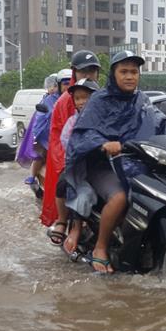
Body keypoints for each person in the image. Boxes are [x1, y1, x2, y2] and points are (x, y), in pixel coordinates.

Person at [63, 50, 166, 273]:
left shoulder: (142, 100)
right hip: (102, 164)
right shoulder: (99, 100)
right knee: (120, 197)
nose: (130, 76)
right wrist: (103, 143)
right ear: (114, 74)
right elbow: (83, 132)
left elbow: (159, 124)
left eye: (134, 72)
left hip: (137, 162)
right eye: (124, 71)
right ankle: (100, 247)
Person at [43, 50, 103, 244]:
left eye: (92, 71)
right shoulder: (65, 101)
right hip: (72, 157)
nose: (88, 75)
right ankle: (66, 223)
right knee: (67, 184)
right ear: (74, 72)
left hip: (100, 157)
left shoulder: (103, 97)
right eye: (83, 71)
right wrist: (69, 162)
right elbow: (61, 138)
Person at [58, 77, 99, 254]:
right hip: (79, 166)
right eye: (78, 98)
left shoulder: (105, 118)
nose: (81, 102)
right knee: (69, 186)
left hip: (104, 166)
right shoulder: (72, 122)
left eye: (85, 97)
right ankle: (72, 226)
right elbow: (66, 142)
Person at [16, 73, 59, 187]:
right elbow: (40, 117)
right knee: (39, 154)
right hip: (45, 134)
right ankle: (32, 176)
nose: (51, 88)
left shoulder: (66, 98)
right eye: (50, 86)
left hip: (59, 135)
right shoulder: (46, 99)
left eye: (54, 86)